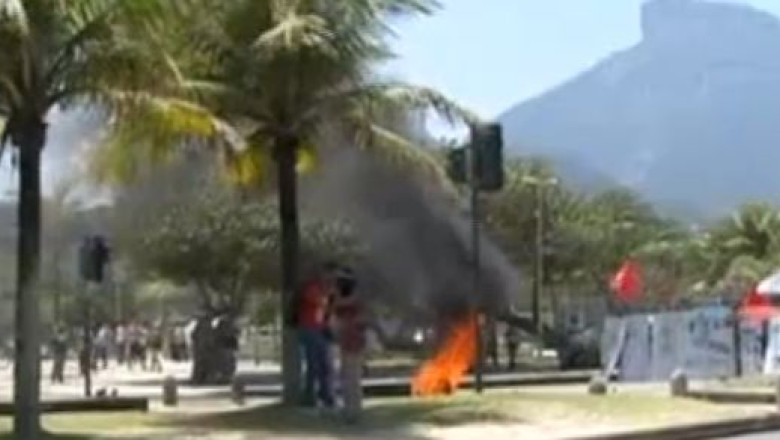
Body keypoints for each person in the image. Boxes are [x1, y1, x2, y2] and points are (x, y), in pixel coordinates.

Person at [297, 262, 338, 408]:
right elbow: (319, 302)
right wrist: (328, 295)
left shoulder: (327, 290)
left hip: (321, 329)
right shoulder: (313, 288)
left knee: (325, 365)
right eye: (329, 274)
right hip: (309, 328)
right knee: (313, 365)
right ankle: (309, 396)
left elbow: (328, 310)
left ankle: (325, 394)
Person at [333, 268, 365, 423]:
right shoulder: (356, 302)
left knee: (349, 377)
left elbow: (337, 310)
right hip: (353, 342)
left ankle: (351, 411)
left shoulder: (344, 303)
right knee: (352, 377)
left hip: (350, 342)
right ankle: (353, 410)